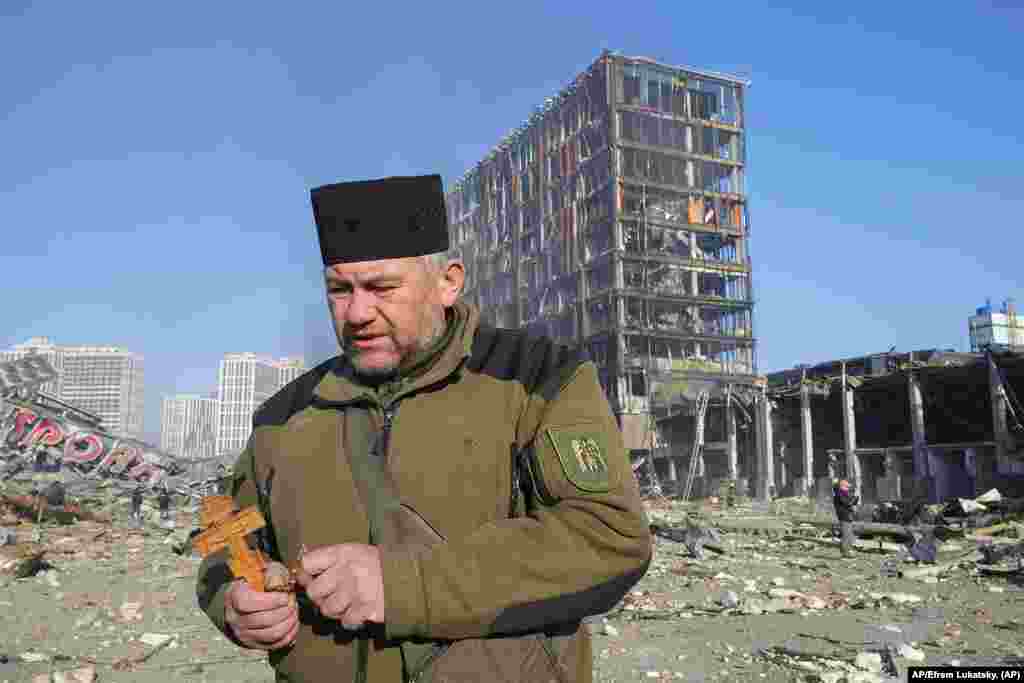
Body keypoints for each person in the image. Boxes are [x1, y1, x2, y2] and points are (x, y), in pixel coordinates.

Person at [196, 174, 652, 682]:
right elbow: (224, 542)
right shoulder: (284, 416)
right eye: (339, 290)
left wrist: (403, 584)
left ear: (448, 282)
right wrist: (234, 602)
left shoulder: (535, 378)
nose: (358, 313)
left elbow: (610, 538)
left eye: (382, 288)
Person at [833, 479, 859, 558]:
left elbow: (852, 502)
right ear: (842, 487)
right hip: (844, 516)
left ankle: (847, 551)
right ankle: (845, 552)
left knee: (849, 535)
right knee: (846, 535)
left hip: (847, 516)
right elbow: (848, 503)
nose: (848, 489)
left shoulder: (842, 494)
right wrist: (854, 498)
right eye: (847, 487)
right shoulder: (839, 494)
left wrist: (855, 497)